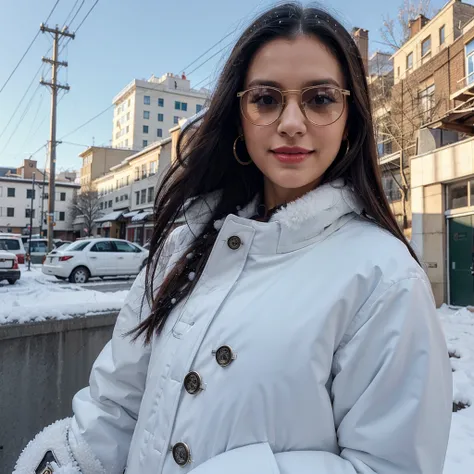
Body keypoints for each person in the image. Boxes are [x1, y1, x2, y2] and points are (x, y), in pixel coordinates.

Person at [15, 3, 452, 474]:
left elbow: (390, 464)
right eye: (266, 98)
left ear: (351, 117)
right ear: (239, 115)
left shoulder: (384, 278)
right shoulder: (186, 241)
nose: (291, 121)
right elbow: (116, 402)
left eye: (320, 98)